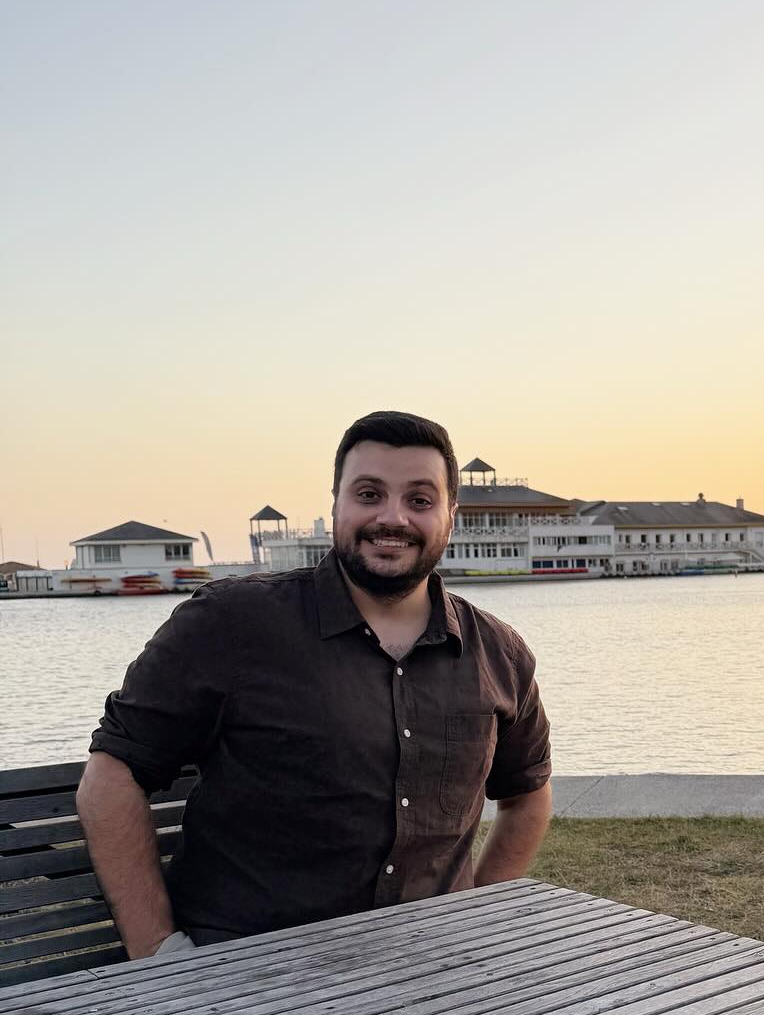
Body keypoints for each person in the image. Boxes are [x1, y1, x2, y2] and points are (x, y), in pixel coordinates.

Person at [77, 410, 553, 958]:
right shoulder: (231, 623)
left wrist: (477, 916)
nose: (392, 517)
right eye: (369, 494)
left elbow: (527, 795)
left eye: (420, 500)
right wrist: (160, 954)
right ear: (335, 505)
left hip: (425, 968)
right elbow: (112, 775)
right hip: (245, 971)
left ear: (451, 515)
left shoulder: (498, 653)